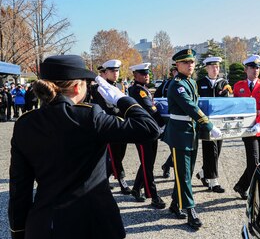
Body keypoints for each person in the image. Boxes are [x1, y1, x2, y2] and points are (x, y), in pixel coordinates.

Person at [8, 54, 160, 239]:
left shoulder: (25, 123)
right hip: (94, 222)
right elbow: (150, 129)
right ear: (76, 86)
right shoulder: (90, 116)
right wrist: (122, 99)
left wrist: (18, 231)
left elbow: (19, 188)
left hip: (45, 224)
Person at [163, 49, 222, 229]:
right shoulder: (177, 84)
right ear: (178, 65)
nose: (190, 65)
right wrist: (209, 125)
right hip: (180, 134)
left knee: (185, 173)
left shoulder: (191, 83)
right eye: (186, 62)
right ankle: (190, 210)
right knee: (184, 174)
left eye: (192, 62)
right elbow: (190, 107)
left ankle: (175, 204)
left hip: (191, 132)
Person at [232, 54, 260, 200]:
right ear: (246, 69)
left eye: (257, 67)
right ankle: (255, 193)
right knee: (254, 162)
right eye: (252, 67)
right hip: (247, 130)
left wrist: (259, 124)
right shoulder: (238, 87)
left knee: (258, 161)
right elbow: (236, 107)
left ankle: (241, 186)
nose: (255, 70)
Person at [127, 62, 166, 208]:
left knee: (147, 163)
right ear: (135, 75)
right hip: (143, 132)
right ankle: (153, 196)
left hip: (150, 131)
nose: (147, 76)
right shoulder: (137, 90)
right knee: (147, 165)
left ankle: (136, 189)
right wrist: (163, 123)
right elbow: (150, 109)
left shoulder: (143, 89)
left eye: (148, 73)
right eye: (143, 73)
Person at [90, 60, 131, 195]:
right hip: (109, 124)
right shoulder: (99, 88)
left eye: (117, 70)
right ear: (105, 73)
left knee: (121, 153)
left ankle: (104, 180)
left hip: (122, 124)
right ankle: (121, 180)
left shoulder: (120, 85)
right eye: (112, 71)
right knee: (113, 155)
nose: (115, 73)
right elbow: (109, 108)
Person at [195, 56, 232, 193]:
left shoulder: (224, 83)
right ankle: (213, 182)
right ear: (207, 68)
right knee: (210, 150)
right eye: (212, 67)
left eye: (217, 67)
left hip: (220, 122)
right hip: (206, 122)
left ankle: (204, 173)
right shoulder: (200, 83)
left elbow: (227, 103)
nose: (215, 69)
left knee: (217, 151)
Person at [154, 65, 178, 178]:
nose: (177, 73)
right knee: (174, 147)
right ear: (172, 72)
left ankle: (167, 165)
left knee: (178, 148)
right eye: (175, 71)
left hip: (183, 119)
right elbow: (157, 98)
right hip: (170, 119)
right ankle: (170, 169)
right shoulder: (167, 84)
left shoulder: (189, 83)